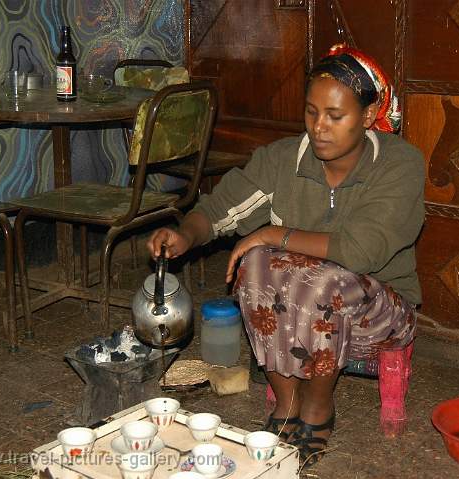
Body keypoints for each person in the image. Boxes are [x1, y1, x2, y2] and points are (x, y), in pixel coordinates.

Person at [147, 43, 425, 467]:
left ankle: (317, 407)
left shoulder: (399, 165)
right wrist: (184, 234)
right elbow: (220, 209)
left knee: (322, 276)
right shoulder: (282, 160)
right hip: (304, 308)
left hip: (381, 312)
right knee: (253, 263)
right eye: (312, 112)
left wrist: (273, 233)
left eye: (336, 115)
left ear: (368, 117)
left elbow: (358, 250)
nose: (320, 127)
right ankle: (286, 402)